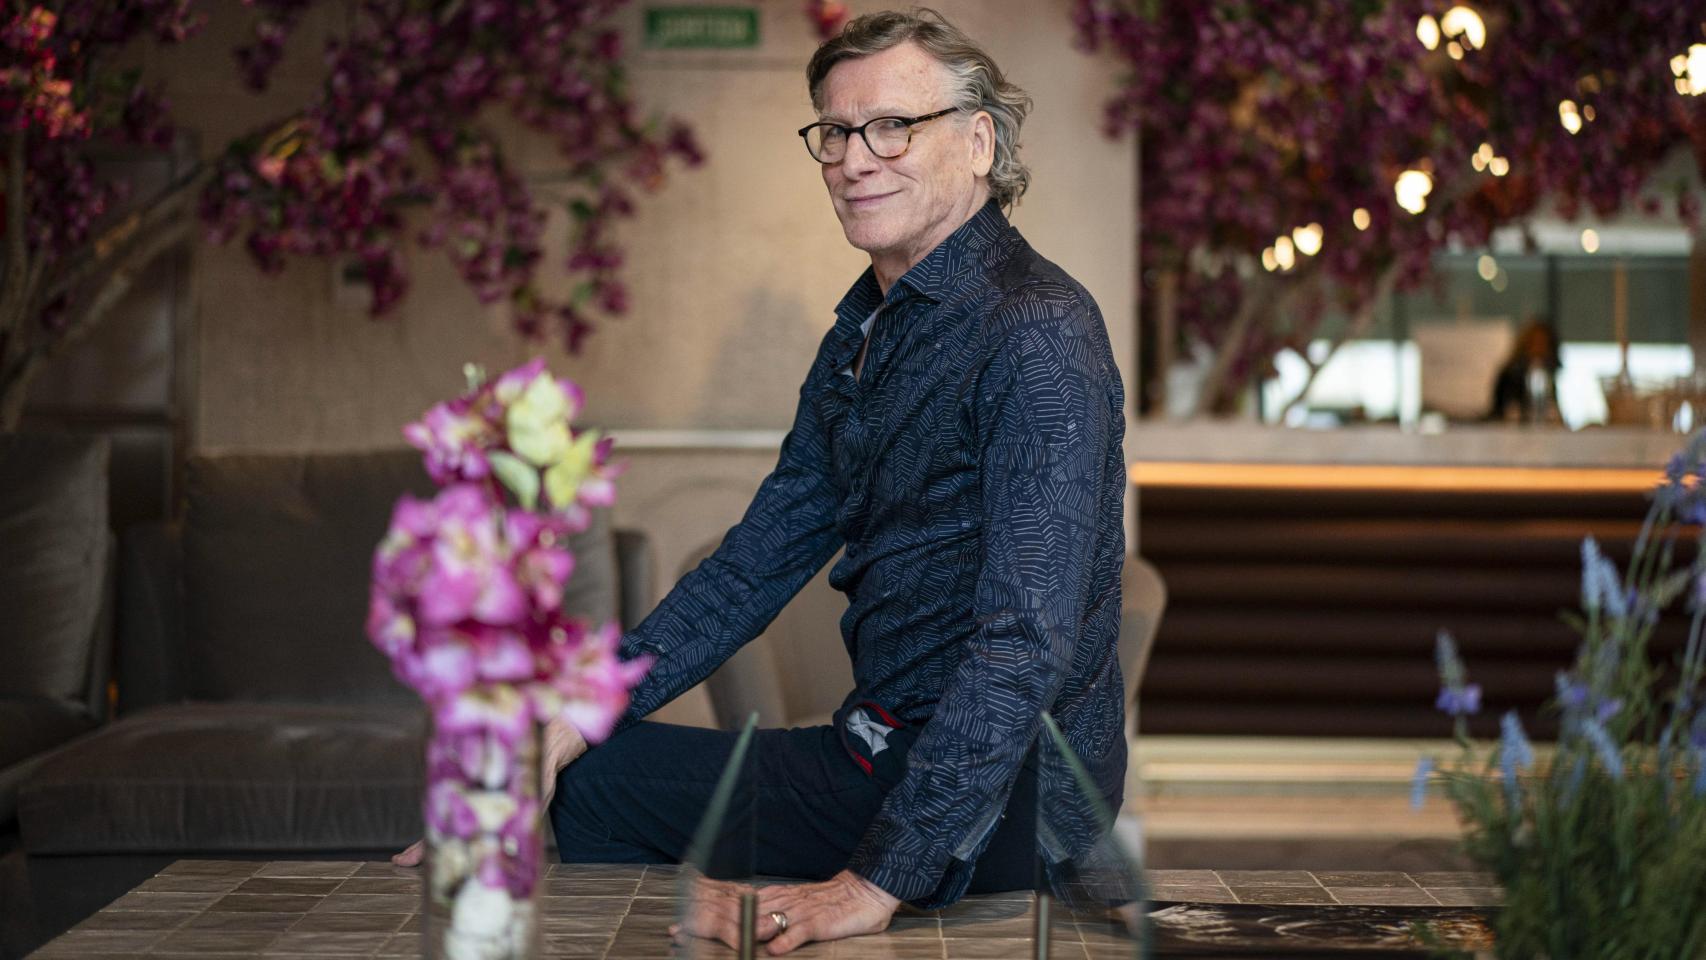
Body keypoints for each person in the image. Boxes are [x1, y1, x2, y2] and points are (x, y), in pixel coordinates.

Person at [400, 9, 1128, 955]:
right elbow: (754, 564)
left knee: (593, 791)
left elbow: (1026, 641)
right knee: (575, 760)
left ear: (979, 141)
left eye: (893, 127)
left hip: (1007, 796)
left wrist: (877, 880)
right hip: (883, 743)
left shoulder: (1037, 333)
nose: (856, 160)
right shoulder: (866, 331)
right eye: (836, 132)